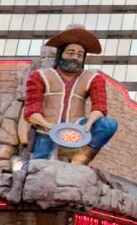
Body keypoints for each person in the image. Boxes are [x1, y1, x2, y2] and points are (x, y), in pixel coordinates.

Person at [23, 26, 119, 164]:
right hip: (47, 130)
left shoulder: (93, 78)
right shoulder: (40, 76)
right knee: (38, 168)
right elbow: (31, 111)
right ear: (60, 54)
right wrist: (48, 125)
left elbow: (100, 107)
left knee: (109, 124)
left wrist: (87, 126)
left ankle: (80, 160)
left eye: (80, 55)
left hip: (77, 129)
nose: (75, 57)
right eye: (70, 53)